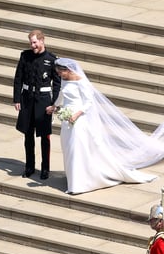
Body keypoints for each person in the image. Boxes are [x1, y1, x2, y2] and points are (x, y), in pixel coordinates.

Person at [52, 58, 155, 193]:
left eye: (61, 72)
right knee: (68, 147)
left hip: (78, 119)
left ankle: (80, 183)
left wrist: (77, 114)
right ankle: (73, 177)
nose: (59, 75)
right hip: (67, 119)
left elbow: (88, 102)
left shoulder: (80, 81)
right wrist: (55, 106)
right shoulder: (65, 80)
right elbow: (62, 93)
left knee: (77, 148)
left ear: (68, 70)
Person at [12, 30, 60, 180]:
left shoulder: (51, 60)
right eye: (31, 43)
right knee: (28, 135)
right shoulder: (25, 56)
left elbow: (57, 84)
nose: (33, 46)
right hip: (27, 99)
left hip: (43, 101)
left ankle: (45, 168)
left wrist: (54, 104)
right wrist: (17, 99)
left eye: (35, 42)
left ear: (42, 41)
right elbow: (18, 78)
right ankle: (29, 166)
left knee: (44, 136)